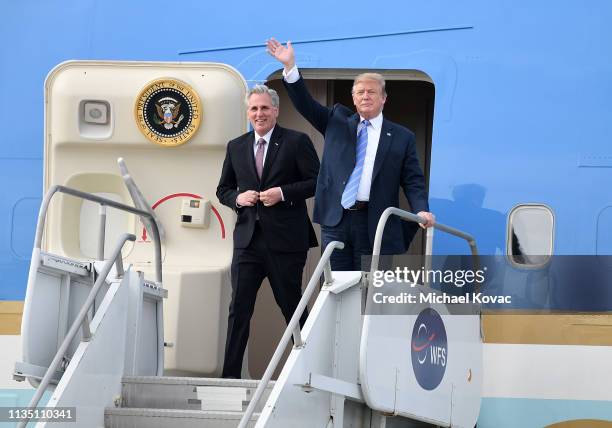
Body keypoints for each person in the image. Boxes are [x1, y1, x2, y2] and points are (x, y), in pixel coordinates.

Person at [266, 38, 435, 271]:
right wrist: (290, 67)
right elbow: (305, 104)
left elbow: (413, 180)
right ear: (354, 98)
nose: (365, 96)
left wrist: (421, 209)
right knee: (337, 288)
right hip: (337, 220)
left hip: (376, 223)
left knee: (370, 290)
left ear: (384, 98)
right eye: (360, 92)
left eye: (372, 92)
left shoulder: (401, 136)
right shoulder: (336, 121)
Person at [216, 84, 319, 379]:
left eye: (264, 108)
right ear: (248, 113)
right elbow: (222, 188)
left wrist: (283, 193)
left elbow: (317, 181)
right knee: (239, 310)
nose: (259, 114)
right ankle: (229, 379)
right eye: (254, 109)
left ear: (275, 110)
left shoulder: (297, 142)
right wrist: (237, 198)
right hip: (247, 241)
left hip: (286, 242)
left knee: (292, 308)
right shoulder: (236, 146)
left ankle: (308, 373)